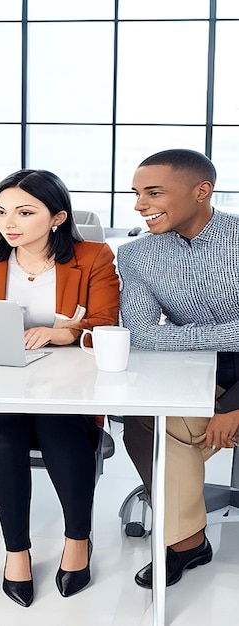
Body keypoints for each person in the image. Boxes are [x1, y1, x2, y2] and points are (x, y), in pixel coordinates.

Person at [0, 169, 119, 606]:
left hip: (67, 384)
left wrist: (65, 333)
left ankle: (77, 541)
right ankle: (16, 551)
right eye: (0, 211)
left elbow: (105, 321)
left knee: (59, 426)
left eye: (24, 212)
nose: (8, 223)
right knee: (4, 434)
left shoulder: (93, 255)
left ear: (57, 217)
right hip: (0, 382)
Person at [118, 148, 239, 589]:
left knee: (178, 433)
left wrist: (234, 407)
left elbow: (159, 334)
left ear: (202, 191)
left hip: (229, 388)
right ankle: (187, 542)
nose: (139, 205)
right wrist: (233, 333)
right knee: (144, 421)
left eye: (153, 193)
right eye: (137, 194)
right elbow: (143, 334)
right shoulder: (136, 256)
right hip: (199, 377)